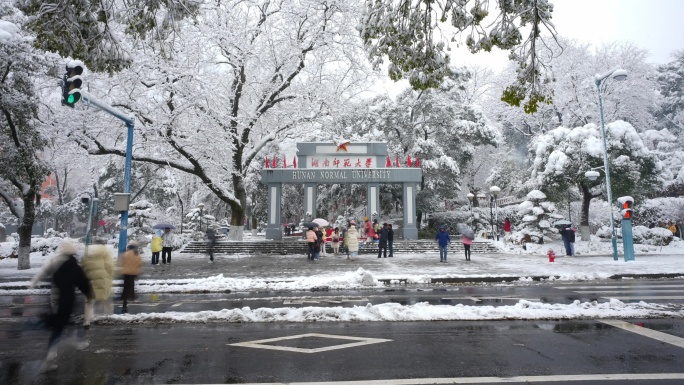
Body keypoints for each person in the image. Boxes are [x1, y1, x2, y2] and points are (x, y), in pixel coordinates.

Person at [30, 240, 93, 373]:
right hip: (68, 299)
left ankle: (55, 351)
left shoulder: (54, 260)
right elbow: (83, 282)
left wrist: (33, 283)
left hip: (54, 298)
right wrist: (89, 294)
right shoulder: (75, 265)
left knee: (59, 323)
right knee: (62, 323)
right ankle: (60, 349)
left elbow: (43, 272)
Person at [81, 241, 114, 328]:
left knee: (89, 300)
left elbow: (83, 266)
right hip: (102, 278)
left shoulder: (87, 252)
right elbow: (109, 265)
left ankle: (87, 320)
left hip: (90, 279)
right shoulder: (104, 252)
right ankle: (108, 316)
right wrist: (110, 275)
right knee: (105, 297)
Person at [119, 241, 142, 313]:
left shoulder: (125, 254)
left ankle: (125, 303)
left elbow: (122, 263)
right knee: (130, 286)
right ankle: (131, 297)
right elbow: (139, 264)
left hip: (126, 273)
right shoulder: (137, 255)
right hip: (133, 273)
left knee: (126, 288)